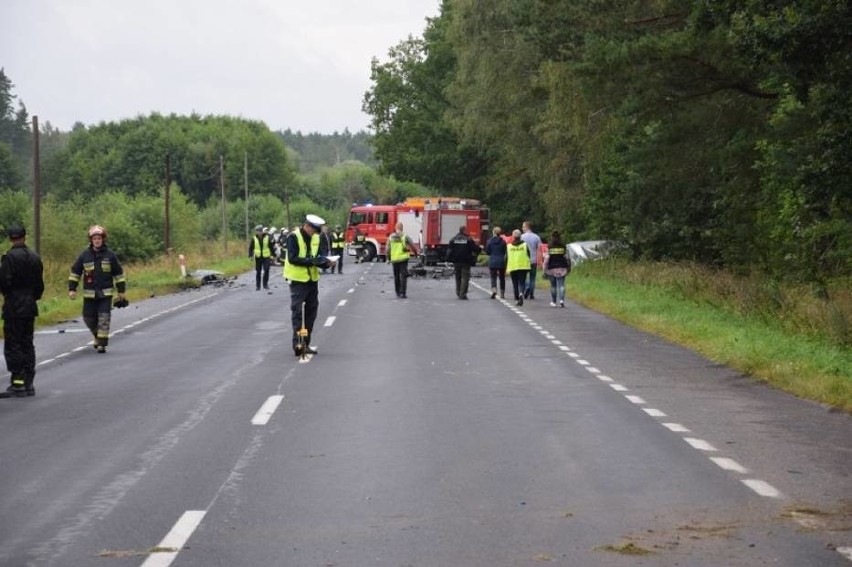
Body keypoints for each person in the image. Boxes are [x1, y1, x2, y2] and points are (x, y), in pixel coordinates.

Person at [0, 224, 44, 398]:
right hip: (30, 306)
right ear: (24, 237)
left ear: (11, 238)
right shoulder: (35, 257)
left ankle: (17, 381)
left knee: (13, 344)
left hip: (13, 307)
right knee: (27, 342)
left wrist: (8, 295)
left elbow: (4, 282)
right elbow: (40, 285)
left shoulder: (8, 258)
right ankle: (29, 382)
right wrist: (32, 297)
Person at [68, 225, 127, 353]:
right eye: (94, 238)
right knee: (88, 318)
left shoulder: (110, 255)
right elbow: (75, 272)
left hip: (105, 294)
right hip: (89, 295)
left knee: (104, 318)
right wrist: (72, 289)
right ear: (91, 240)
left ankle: (102, 344)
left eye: (99, 238)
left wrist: (121, 291)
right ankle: (97, 336)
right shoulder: (84, 255)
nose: (97, 240)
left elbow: (118, 274)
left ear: (103, 239)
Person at [284, 214, 335, 357]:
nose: (314, 233)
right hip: (297, 281)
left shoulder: (316, 238)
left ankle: (305, 343)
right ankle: (298, 345)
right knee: (298, 314)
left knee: (310, 315)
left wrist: (327, 262)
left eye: (316, 231)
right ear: (306, 226)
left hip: (312, 281)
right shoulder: (293, 237)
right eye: (313, 230)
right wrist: (312, 261)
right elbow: (293, 258)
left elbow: (319, 257)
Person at [446, 225, 480, 300]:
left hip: (456, 261)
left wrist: (448, 259)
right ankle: (463, 294)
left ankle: (458, 292)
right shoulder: (468, 240)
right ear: (464, 230)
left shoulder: (453, 239)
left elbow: (449, 251)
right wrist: (479, 250)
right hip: (466, 261)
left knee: (458, 277)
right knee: (465, 278)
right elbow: (475, 249)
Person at [387, 222, 417, 298]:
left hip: (395, 260)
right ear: (402, 228)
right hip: (403, 259)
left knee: (396, 276)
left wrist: (388, 258)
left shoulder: (391, 237)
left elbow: (388, 248)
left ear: (395, 228)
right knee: (403, 276)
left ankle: (397, 292)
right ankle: (403, 293)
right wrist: (416, 254)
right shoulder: (405, 236)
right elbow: (412, 246)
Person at [543, 230, 571, 307]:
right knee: (561, 285)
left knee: (553, 286)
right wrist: (569, 267)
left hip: (552, 268)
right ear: (559, 237)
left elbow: (546, 259)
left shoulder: (549, 246)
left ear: (552, 237)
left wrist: (544, 269)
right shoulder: (563, 246)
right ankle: (561, 300)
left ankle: (554, 302)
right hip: (562, 267)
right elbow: (567, 258)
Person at [506, 229, 530, 306]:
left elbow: (506, 257)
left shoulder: (509, 246)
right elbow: (528, 254)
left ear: (513, 236)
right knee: (522, 282)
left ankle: (516, 299)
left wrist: (505, 267)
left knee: (515, 283)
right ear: (520, 236)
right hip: (523, 266)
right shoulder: (525, 245)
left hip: (513, 267)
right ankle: (521, 294)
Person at [521, 221, 542, 300]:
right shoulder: (536, 237)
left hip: (524, 260)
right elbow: (539, 250)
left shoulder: (521, 237)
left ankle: (527, 287)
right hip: (533, 260)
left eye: (523, 227)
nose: (522, 228)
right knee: (532, 277)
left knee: (524, 277)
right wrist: (540, 261)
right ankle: (531, 293)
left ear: (526, 227)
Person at [249, 224, 274, 290]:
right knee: (258, 271)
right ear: (256, 232)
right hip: (258, 257)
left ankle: (265, 284)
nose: (259, 232)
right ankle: (258, 286)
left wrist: (274, 255)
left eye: (260, 231)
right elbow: (251, 248)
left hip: (266, 257)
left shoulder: (267, 237)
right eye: (258, 231)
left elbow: (271, 246)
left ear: (262, 231)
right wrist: (250, 256)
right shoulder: (254, 238)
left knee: (266, 270)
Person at [485, 226, 507, 299]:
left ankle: (494, 289)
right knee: (502, 278)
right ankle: (502, 292)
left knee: (493, 277)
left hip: (493, 261)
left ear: (493, 232)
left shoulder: (489, 241)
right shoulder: (503, 242)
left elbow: (487, 252)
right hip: (501, 261)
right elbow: (504, 251)